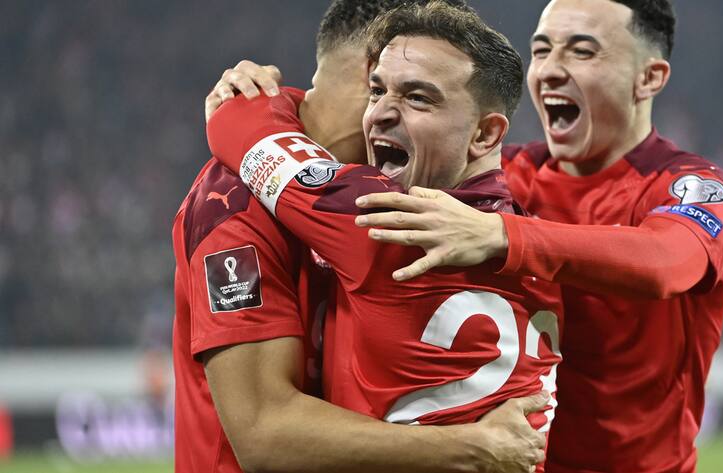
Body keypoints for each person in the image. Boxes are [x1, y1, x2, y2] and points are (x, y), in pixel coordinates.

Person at [206, 0, 723, 471]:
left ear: (649, 77)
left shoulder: (696, 187)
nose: (552, 70)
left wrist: (501, 235)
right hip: (505, 456)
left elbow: (665, 261)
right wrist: (278, 92)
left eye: (582, 52)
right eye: (541, 50)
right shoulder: (495, 177)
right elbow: (362, 154)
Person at [173, 1, 548, 472]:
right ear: (370, 72)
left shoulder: (400, 203)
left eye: (418, 97)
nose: (386, 113)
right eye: (380, 89)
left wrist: (249, 114)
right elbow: (265, 433)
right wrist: (469, 447)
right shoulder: (232, 204)